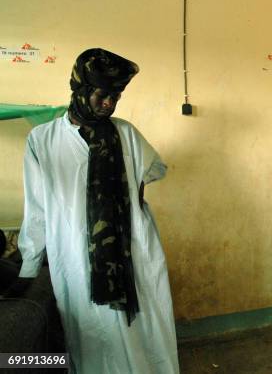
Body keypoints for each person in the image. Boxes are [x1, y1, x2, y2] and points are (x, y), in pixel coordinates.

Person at [7, 48, 180, 372]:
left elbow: (155, 169)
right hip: (74, 253)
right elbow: (38, 208)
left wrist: (128, 195)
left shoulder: (125, 133)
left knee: (144, 335)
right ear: (82, 89)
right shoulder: (42, 140)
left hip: (132, 252)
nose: (109, 104)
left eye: (116, 96)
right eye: (103, 95)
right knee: (91, 339)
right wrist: (29, 267)